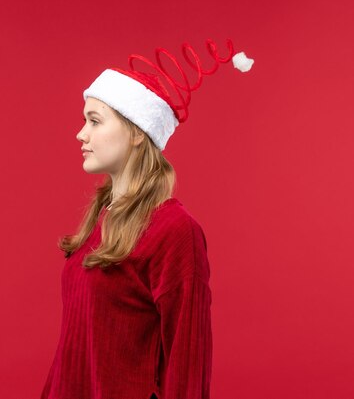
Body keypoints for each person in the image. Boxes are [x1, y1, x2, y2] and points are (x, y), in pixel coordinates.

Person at [40, 40, 253, 399]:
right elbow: (74, 353)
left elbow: (188, 361)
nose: (81, 133)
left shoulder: (174, 231)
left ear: (138, 132)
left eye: (94, 120)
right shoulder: (101, 219)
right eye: (83, 120)